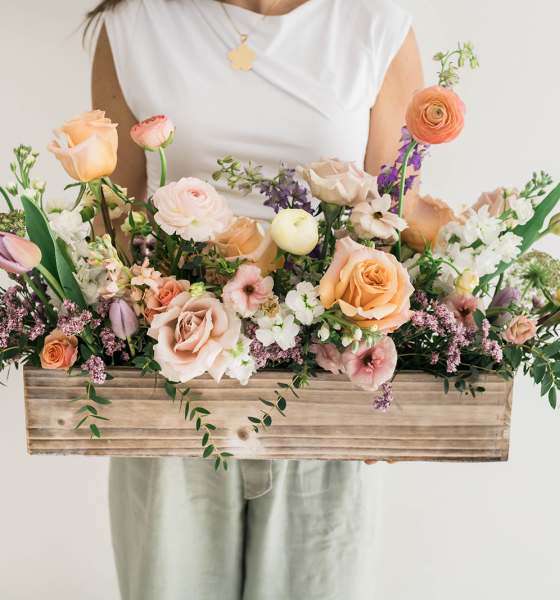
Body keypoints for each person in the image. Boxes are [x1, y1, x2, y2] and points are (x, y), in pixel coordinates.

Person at [88, 1, 423, 598]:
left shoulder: (375, 23)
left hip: (324, 394)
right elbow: (111, 226)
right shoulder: (136, 24)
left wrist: (395, 389)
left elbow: (394, 224)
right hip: (174, 393)